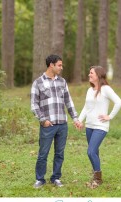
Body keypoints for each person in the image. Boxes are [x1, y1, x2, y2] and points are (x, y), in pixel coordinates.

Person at [30, 54, 81, 188]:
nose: (61, 67)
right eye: (59, 65)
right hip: (48, 125)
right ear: (51, 65)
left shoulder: (62, 82)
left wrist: (75, 118)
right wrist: (43, 120)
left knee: (59, 153)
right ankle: (40, 179)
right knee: (43, 153)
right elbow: (34, 105)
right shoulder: (38, 82)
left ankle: (56, 177)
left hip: (62, 125)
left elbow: (68, 101)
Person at [78, 66, 121, 188]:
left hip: (100, 126)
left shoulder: (106, 89)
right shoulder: (90, 90)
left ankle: (98, 179)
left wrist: (110, 116)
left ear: (98, 75)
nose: (89, 75)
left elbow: (119, 102)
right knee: (95, 152)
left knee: (90, 151)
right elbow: (86, 107)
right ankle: (95, 175)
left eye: (91, 73)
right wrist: (80, 120)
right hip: (89, 126)